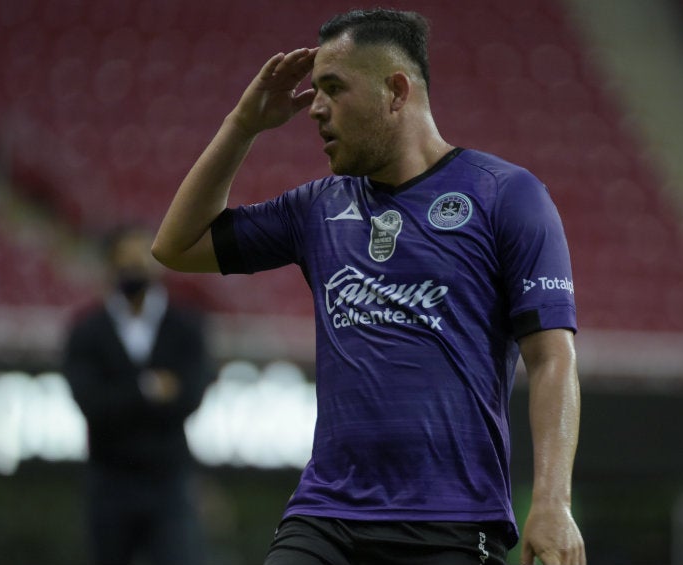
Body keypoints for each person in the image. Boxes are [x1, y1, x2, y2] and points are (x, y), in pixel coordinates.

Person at [152, 8, 585, 565]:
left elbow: (552, 358)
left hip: (451, 520)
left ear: (396, 91)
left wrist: (552, 501)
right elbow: (176, 246)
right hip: (326, 515)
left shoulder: (505, 195)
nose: (316, 108)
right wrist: (242, 125)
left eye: (333, 88)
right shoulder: (316, 208)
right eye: (316, 91)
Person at [63, 226, 215, 565]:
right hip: (108, 482)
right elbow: (92, 404)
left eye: (143, 261)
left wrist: (122, 393)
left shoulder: (186, 326)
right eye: (127, 262)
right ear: (110, 265)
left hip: (168, 481)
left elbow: (189, 397)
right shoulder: (86, 331)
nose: (136, 270)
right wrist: (150, 389)